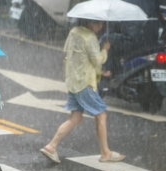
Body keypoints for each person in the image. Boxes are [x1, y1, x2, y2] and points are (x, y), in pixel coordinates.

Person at [40, 19, 125, 163]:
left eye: (101, 24)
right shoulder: (90, 37)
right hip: (85, 83)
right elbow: (97, 60)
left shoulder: (74, 32)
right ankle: (105, 152)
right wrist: (105, 49)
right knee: (101, 116)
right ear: (89, 22)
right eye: (97, 23)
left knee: (75, 118)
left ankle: (51, 146)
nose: (100, 26)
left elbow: (70, 53)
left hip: (73, 81)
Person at [102, 0, 160, 76]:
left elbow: (114, 24)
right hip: (152, 41)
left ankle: (108, 70)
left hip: (133, 42)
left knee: (106, 38)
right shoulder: (152, 2)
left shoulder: (123, 3)